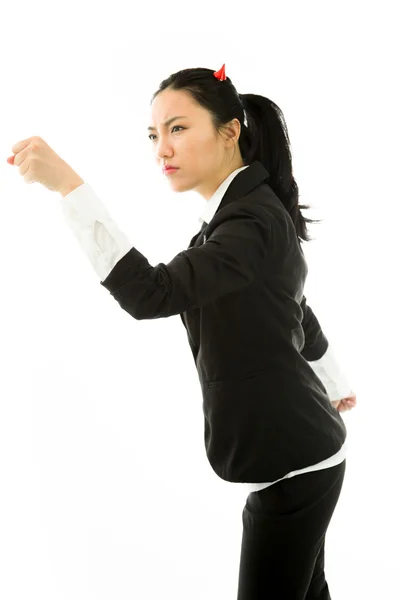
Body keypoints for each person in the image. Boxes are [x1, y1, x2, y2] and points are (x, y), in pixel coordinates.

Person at [55, 64, 356, 598]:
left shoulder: (249, 223)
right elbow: (290, 305)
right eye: (153, 134)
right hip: (299, 457)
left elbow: (150, 293)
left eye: (177, 128)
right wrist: (334, 382)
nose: (161, 149)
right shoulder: (241, 214)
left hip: (295, 466)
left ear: (230, 131)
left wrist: (69, 190)